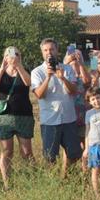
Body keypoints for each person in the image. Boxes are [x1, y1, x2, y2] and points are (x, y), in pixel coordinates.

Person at [30, 39, 83, 176]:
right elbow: (39, 95)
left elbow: (73, 91)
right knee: (50, 157)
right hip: (50, 121)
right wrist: (48, 77)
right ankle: (52, 181)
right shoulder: (37, 72)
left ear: (57, 51)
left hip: (68, 118)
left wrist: (63, 78)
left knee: (74, 153)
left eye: (52, 49)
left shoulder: (67, 69)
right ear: (42, 52)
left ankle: (65, 176)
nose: (49, 52)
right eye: (46, 50)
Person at [0, 46, 34, 189]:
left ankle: (31, 180)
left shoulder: (23, 70)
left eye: (16, 54)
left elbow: (28, 82)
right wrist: (2, 69)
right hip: (4, 117)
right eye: (9, 54)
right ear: (4, 57)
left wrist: (19, 66)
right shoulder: (1, 72)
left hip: (23, 115)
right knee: (7, 151)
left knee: (26, 151)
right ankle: (7, 184)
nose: (13, 57)